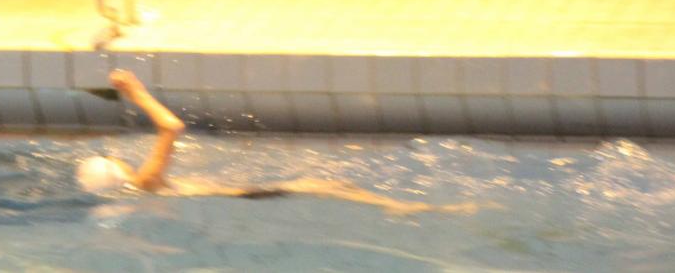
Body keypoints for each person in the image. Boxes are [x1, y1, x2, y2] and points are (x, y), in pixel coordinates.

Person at [76, 70, 477, 214]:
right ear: (117, 173)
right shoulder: (145, 181)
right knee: (327, 185)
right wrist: (135, 92)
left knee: (330, 185)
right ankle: (400, 207)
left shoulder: (141, 191)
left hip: (235, 198)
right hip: (244, 197)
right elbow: (172, 128)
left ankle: (398, 207)